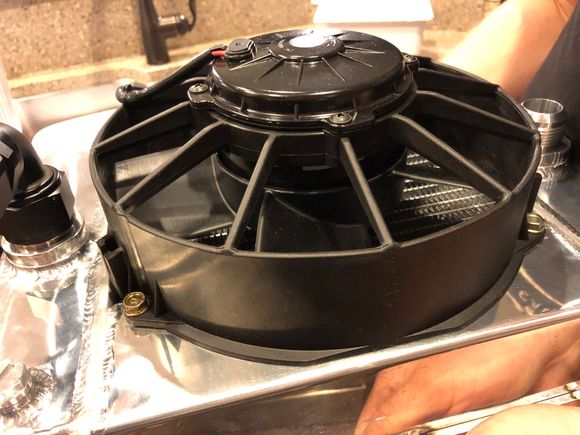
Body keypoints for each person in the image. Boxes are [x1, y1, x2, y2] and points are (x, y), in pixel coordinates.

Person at [356, 1, 580, 433]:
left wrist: (564, 352)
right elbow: (558, 7)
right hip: (522, 245)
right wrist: (412, 117)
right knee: (400, 390)